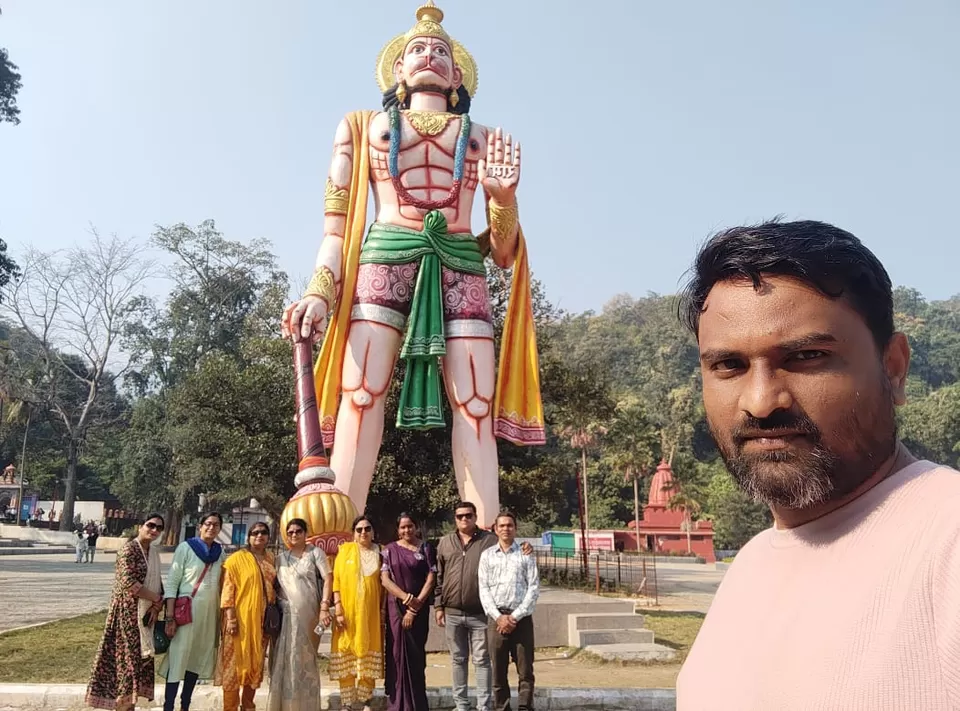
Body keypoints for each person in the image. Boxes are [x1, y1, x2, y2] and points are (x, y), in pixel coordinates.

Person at [674, 220, 960, 710]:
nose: (761, 402)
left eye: (807, 356)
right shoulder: (752, 565)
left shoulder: (946, 540)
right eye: (729, 366)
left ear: (893, 367)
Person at [280, 0, 545, 529]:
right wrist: (319, 291)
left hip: (462, 261)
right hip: (385, 254)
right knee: (360, 394)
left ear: (458, 73)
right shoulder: (362, 127)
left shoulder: (483, 138)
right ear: (398, 68)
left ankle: (489, 545)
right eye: (418, 49)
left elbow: (504, 253)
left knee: (474, 405)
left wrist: (503, 200)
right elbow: (335, 230)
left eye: (441, 50)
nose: (430, 54)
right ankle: (341, 540)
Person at [434, 501, 533, 711]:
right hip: (453, 612)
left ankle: (484, 706)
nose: (464, 519)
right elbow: (439, 577)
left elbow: (511, 546)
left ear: (475, 517)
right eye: (460, 516)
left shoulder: (489, 541)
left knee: (483, 660)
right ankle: (461, 704)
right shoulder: (445, 542)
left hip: (481, 613)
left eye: (468, 515)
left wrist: (527, 546)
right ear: (455, 518)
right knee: (458, 660)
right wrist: (438, 606)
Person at [85, 514, 166, 710]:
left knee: (140, 661)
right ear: (141, 526)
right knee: (126, 662)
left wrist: (157, 605)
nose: (154, 530)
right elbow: (129, 583)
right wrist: (155, 599)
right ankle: (123, 705)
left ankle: (129, 704)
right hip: (126, 615)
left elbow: (158, 583)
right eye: (150, 525)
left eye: (159, 528)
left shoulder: (153, 553)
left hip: (146, 616)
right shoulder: (128, 550)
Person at [267, 518, 334, 711]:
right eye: (290, 532)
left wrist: (324, 607)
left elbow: (328, 578)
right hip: (286, 616)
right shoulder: (280, 558)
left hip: (310, 615)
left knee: (305, 660)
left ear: (306, 533)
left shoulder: (315, 553)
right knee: (285, 660)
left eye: (298, 531)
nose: (294, 535)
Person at [161, 512, 225, 711]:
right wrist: (170, 617)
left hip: (209, 613)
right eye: (208, 523)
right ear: (200, 526)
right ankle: (169, 706)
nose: (211, 528)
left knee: (197, 658)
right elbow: (172, 582)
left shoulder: (219, 552)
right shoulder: (186, 548)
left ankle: (185, 706)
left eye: (216, 525)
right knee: (179, 656)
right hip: (186, 611)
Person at [478, 511, 539, 711]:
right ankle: (501, 707)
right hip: (496, 620)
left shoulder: (526, 554)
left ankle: (524, 706)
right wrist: (498, 617)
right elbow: (483, 589)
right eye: (502, 526)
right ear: (495, 529)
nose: (506, 529)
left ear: (515, 528)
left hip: (521, 618)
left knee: (525, 669)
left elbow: (533, 587)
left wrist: (513, 617)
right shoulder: (487, 556)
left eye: (509, 525)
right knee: (498, 670)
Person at [215, 522, 277, 711]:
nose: (260, 536)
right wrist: (231, 618)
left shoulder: (271, 559)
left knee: (255, 664)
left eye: (264, 532)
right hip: (238, 623)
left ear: (268, 537)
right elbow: (228, 590)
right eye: (255, 532)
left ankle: (248, 705)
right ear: (248, 537)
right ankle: (230, 707)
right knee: (233, 668)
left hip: (261, 624)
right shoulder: (235, 560)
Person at [380, 513, 437, 711]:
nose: (407, 530)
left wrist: (415, 605)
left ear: (416, 527)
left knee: (416, 656)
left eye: (410, 526)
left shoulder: (426, 548)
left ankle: (418, 704)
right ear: (398, 530)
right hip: (396, 609)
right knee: (396, 654)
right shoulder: (389, 550)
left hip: (418, 611)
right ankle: (397, 705)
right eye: (403, 527)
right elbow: (385, 580)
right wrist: (405, 598)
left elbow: (431, 578)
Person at [330, 514, 384, 711]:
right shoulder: (344, 551)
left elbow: (383, 585)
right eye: (359, 529)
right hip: (347, 614)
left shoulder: (380, 552)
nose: (363, 532)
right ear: (353, 533)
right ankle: (347, 703)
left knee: (368, 654)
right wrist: (338, 608)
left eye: (367, 529)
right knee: (346, 654)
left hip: (370, 616)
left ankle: (365, 701)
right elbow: (336, 581)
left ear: (373, 532)